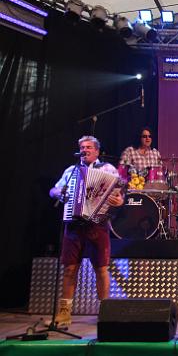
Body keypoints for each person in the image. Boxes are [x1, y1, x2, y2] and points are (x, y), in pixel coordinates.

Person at [48, 136, 124, 327]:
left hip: (98, 224)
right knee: (69, 269)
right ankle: (64, 314)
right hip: (74, 224)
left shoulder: (108, 169)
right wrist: (60, 193)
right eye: (82, 147)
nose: (85, 150)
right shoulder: (71, 170)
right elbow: (53, 190)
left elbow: (119, 195)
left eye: (89, 147)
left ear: (97, 151)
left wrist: (118, 201)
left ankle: (104, 312)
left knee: (101, 269)